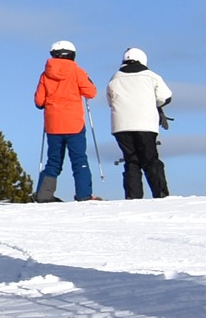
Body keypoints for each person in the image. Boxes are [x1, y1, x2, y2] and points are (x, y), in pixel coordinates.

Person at [34, 40, 97, 201]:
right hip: (74, 123)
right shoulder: (78, 72)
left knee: (53, 161)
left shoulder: (45, 74)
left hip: (53, 125)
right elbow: (91, 93)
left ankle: (43, 195)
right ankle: (84, 195)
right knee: (79, 160)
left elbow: (39, 101)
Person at [107, 47, 172, 201]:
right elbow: (165, 97)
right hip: (145, 124)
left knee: (131, 160)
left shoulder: (114, 78)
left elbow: (110, 101)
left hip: (121, 125)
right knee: (150, 160)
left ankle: (133, 196)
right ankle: (161, 194)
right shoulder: (151, 76)